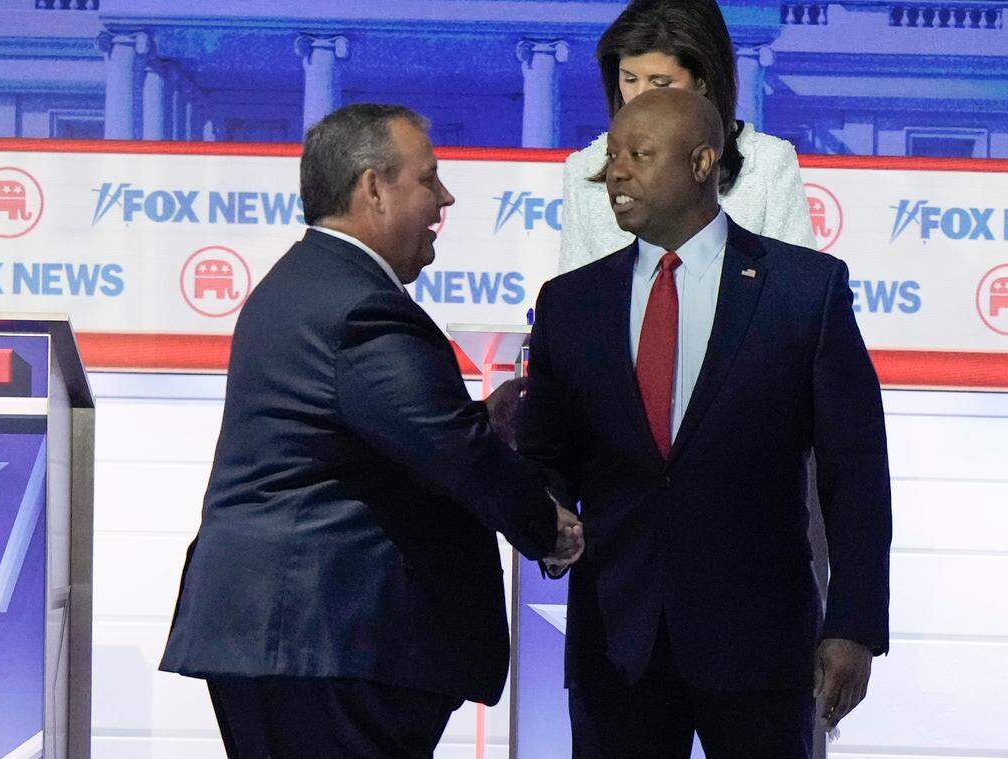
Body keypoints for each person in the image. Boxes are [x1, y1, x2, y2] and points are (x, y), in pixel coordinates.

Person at [159, 103, 583, 759]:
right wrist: (549, 527)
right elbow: (449, 449)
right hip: (326, 636)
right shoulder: (360, 304)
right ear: (373, 189)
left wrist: (481, 424)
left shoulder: (305, 283)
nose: (445, 197)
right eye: (429, 179)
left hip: (287, 631)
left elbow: (395, 437)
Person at [518, 88, 891, 758]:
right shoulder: (571, 303)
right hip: (617, 643)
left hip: (760, 648)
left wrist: (855, 625)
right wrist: (542, 514)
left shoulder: (804, 291)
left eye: (639, 154)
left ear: (700, 162)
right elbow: (547, 452)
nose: (617, 173)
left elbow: (856, 472)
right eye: (612, 156)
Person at [559, 0, 816, 275]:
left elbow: (799, 291)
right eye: (630, 79)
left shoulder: (767, 164)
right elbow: (573, 301)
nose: (641, 97)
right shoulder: (584, 169)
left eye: (661, 83)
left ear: (703, 80)